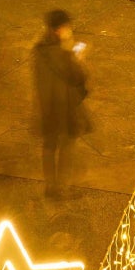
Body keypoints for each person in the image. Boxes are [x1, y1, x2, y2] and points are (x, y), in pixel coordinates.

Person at [32, 10, 90, 198]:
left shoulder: (40, 48)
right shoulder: (63, 51)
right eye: (67, 26)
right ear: (59, 29)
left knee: (49, 146)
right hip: (64, 105)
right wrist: (77, 57)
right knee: (67, 146)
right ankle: (62, 188)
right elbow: (77, 77)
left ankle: (50, 186)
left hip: (47, 105)